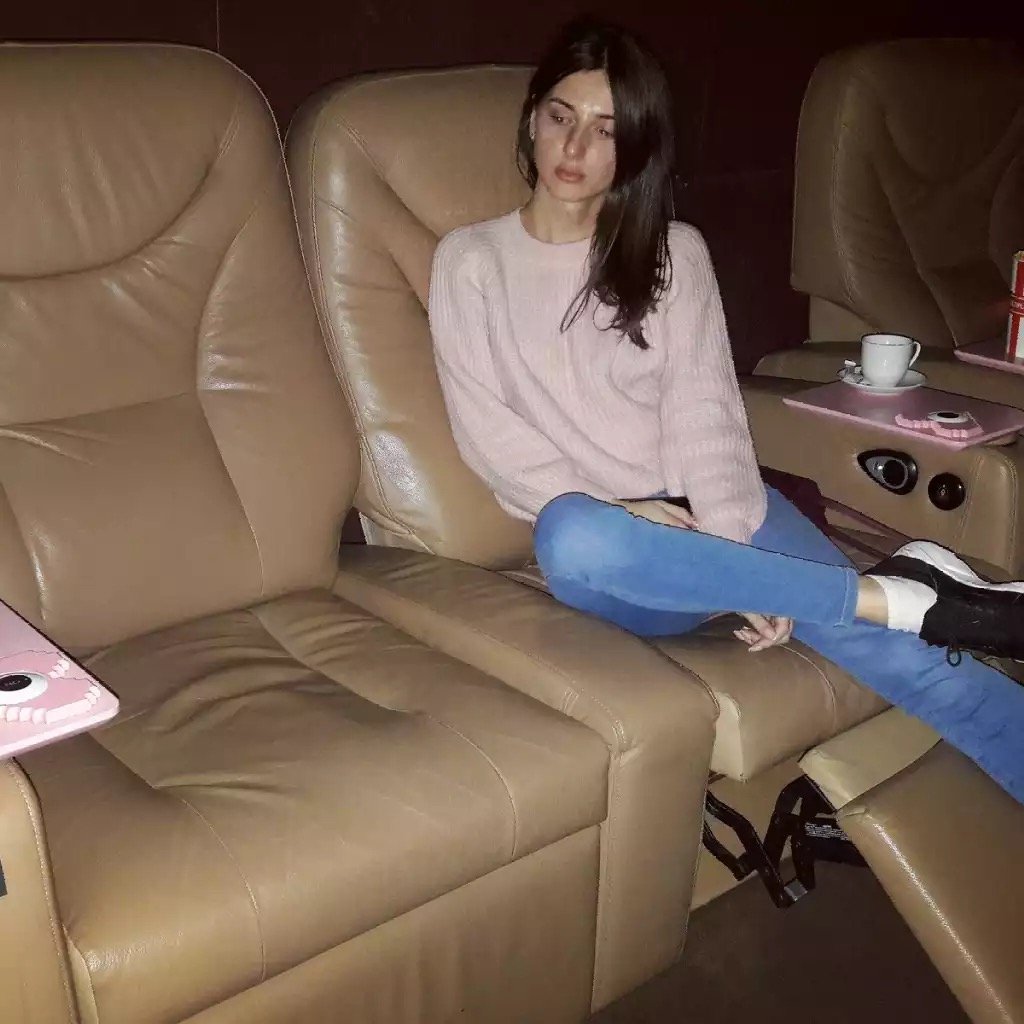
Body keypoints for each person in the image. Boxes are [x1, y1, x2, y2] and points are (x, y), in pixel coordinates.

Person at [427, 16, 1024, 803]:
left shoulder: (673, 254)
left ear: (635, 148)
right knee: (570, 535)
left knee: (912, 663)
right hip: (614, 551)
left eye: (606, 130)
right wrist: (626, 509)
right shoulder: (470, 262)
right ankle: (892, 593)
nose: (575, 148)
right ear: (531, 119)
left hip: (717, 516)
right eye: (561, 117)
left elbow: (706, 414)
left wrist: (731, 548)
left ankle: (910, 615)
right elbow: (489, 434)